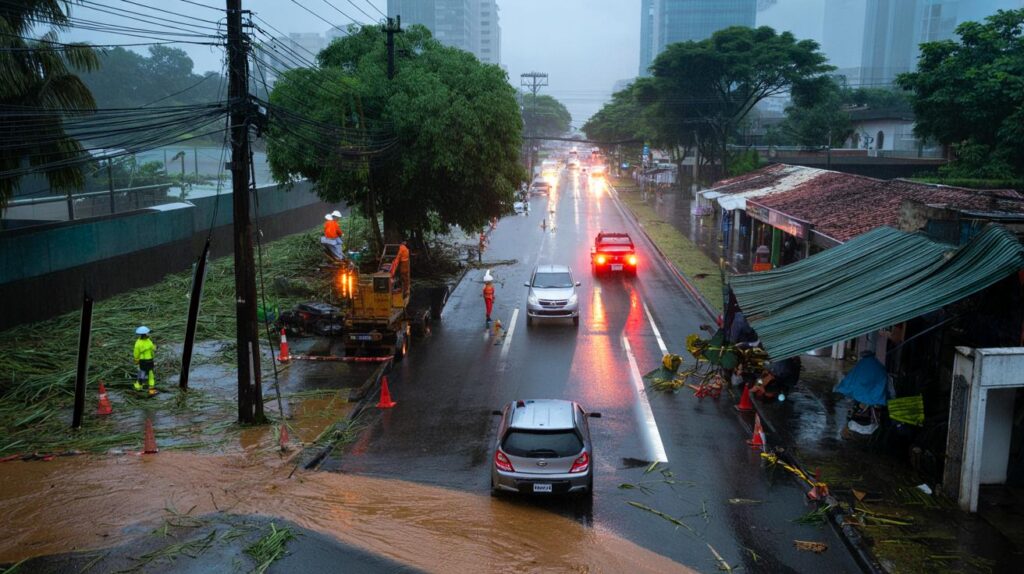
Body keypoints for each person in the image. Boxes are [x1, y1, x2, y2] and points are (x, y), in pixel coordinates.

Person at [133, 326, 156, 395]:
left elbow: (136, 353)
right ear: (146, 334)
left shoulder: (138, 343)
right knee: (151, 374)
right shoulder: (149, 342)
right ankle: (151, 390)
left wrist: (136, 359)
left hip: (142, 361)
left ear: (140, 335)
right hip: (150, 360)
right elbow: (153, 350)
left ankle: (139, 386)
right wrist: (152, 357)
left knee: (141, 373)